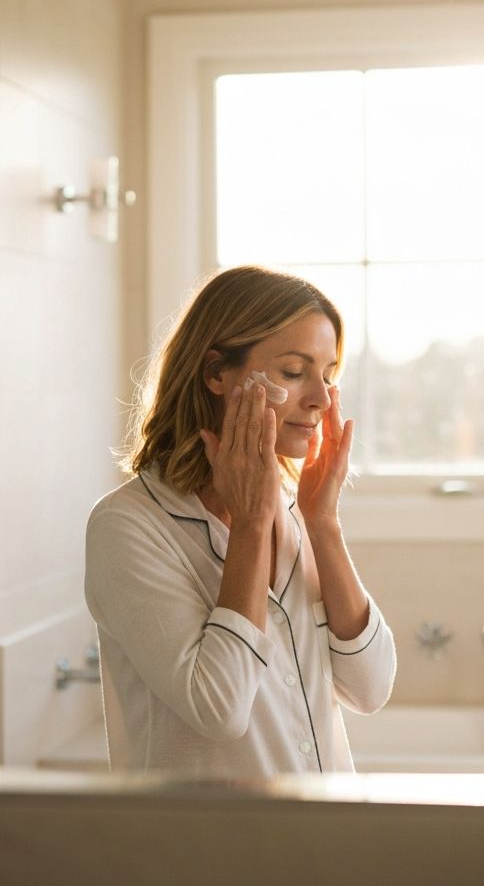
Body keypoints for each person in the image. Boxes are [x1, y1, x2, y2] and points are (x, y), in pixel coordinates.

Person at [85, 265, 396, 776]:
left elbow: (370, 687)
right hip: (216, 847)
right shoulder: (128, 527)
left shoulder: (296, 511)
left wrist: (324, 525)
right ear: (215, 374)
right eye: (294, 373)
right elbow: (220, 707)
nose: (320, 398)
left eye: (328, 373)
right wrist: (251, 527)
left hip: (325, 839)